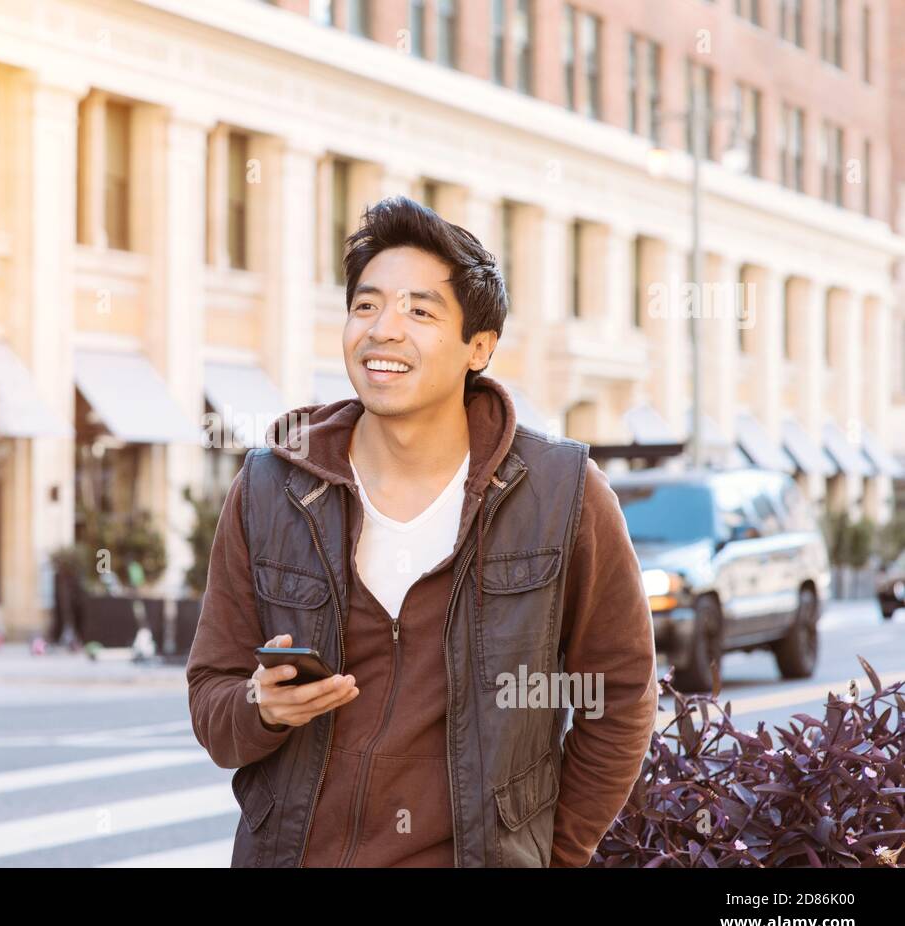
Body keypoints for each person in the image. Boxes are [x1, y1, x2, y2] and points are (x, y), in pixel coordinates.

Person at [186, 195, 657, 867]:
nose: (384, 329)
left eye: (419, 310)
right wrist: (260, 707)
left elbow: (619, 697)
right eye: (366, 305)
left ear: (479, 347)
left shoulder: (563, 493)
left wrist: (554, 855)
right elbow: (212, 696)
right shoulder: (270, 488)